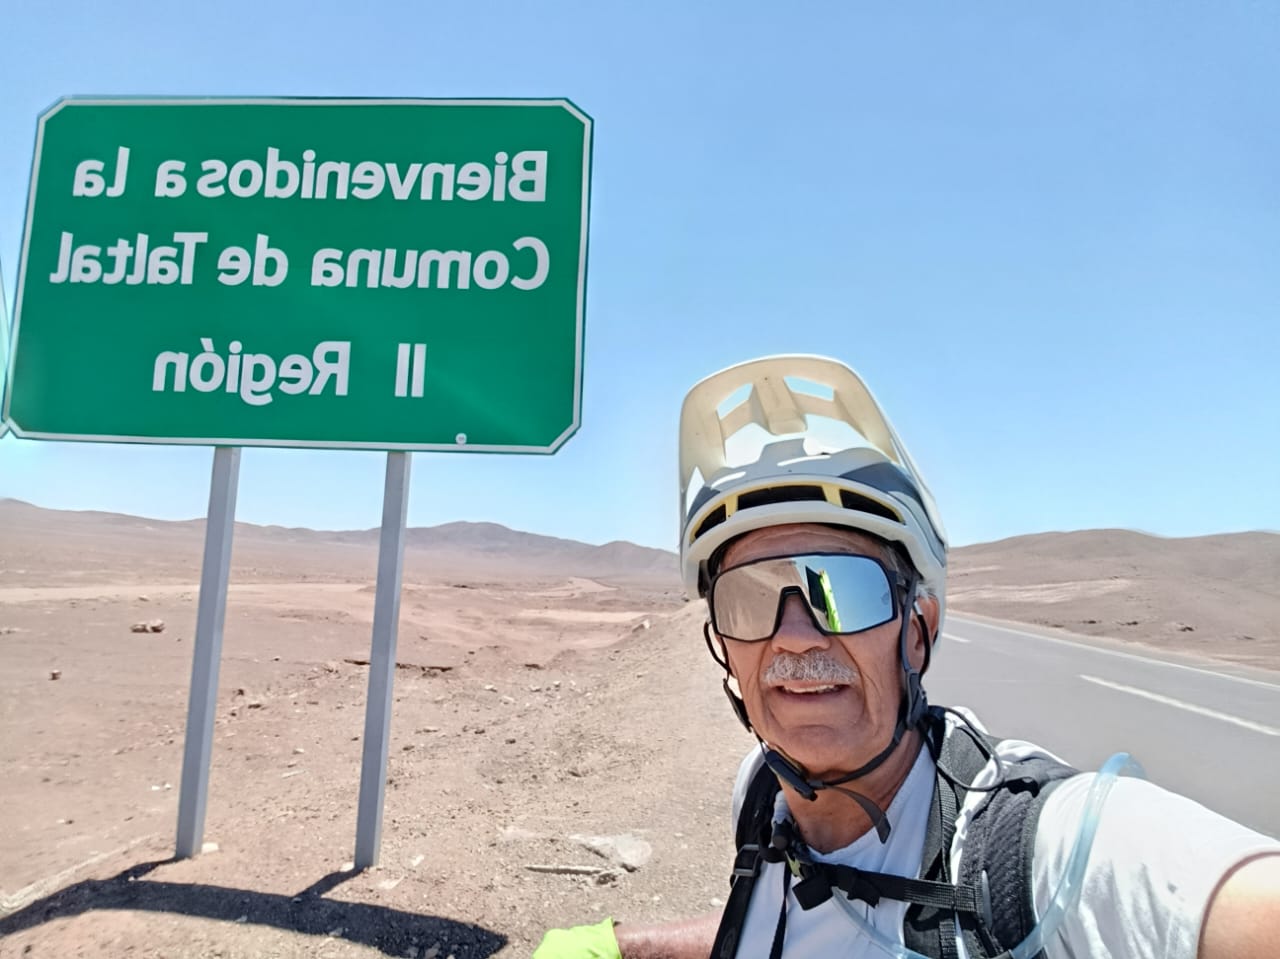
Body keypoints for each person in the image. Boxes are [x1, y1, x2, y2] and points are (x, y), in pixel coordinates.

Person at [533, 355, 1280, 959]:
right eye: (751, 595)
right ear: (723, 644)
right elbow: (798, 917)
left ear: (917, 626)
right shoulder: (762, 794)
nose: (794, 636)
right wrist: (625, 946)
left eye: (841, 589)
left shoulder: (1037, 849)